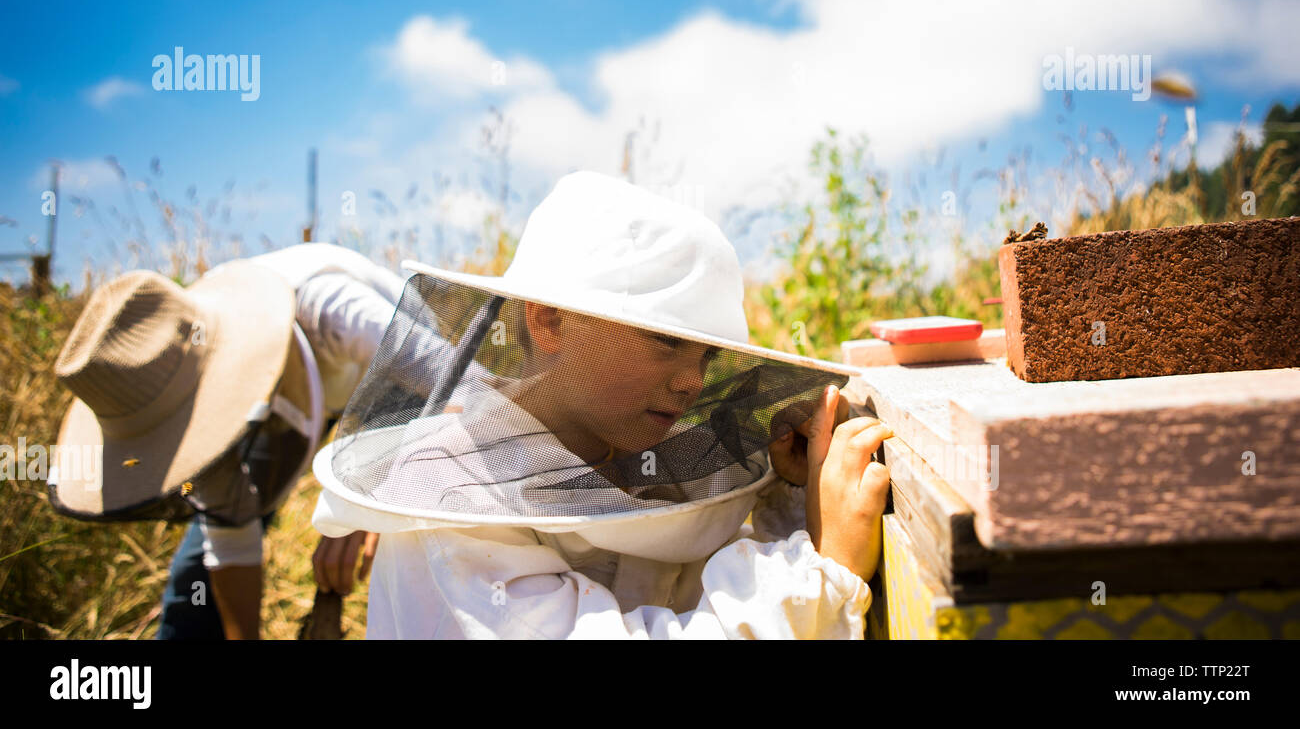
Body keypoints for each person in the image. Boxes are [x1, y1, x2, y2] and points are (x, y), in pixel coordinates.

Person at [312, 171, 892, 639]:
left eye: (708, 358)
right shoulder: (452, 498)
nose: (693, 381)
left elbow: (703, 590)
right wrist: (826, 575)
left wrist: (794, 499)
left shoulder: (640, 463)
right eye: (666, 342)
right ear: (550, 322)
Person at [49, 242, 411, 639]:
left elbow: (465, 392)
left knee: (417, 553)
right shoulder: (174, 402)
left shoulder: (335, 309)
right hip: (303, 399)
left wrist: (368, 498)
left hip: (411, 394)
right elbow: (229, 544)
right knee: (195, 581)